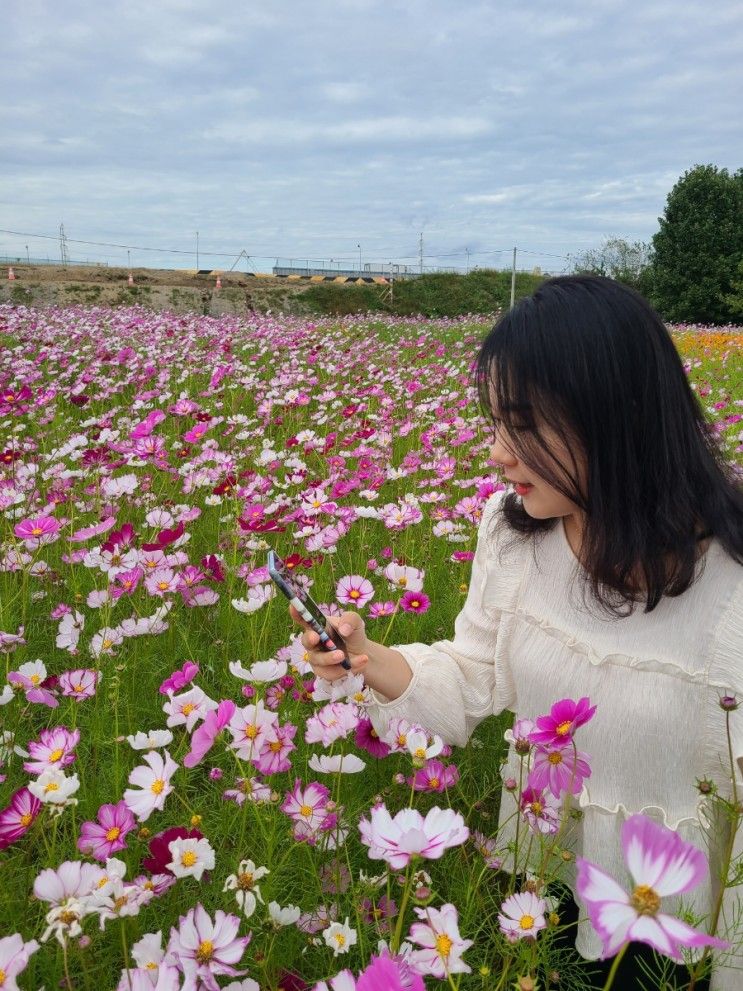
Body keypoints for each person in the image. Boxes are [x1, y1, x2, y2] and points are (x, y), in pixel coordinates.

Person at [291, 275, 743, 989]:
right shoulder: (512, 536)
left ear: (614, 416)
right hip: (543, 885)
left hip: (676, 939)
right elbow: (473, 674)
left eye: (524, 425)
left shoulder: (731, 589)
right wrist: (363, 654)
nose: (498, 453)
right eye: (495, 423)